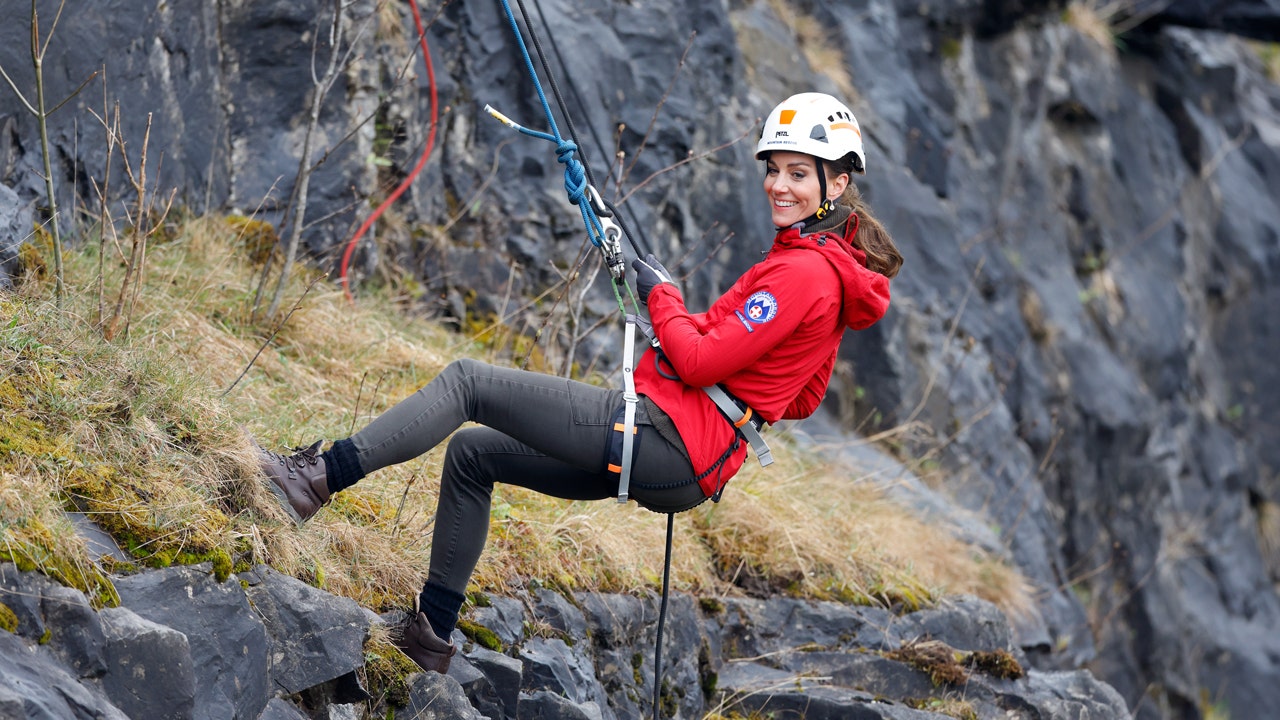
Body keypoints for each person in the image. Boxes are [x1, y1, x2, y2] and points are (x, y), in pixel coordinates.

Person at [256, 91, 902, 675]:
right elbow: (803, 397)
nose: (777, 186)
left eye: (797, 173)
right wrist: (721, 379)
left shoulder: (804, 274)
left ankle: (311, 480)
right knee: (472, 455)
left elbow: (703, 360)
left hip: (664, 438)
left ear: (836, 184)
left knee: (467, 382)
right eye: (774, 169)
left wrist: (664, 298)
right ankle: (429, 640)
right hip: (687, 461)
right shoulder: (827, 272)